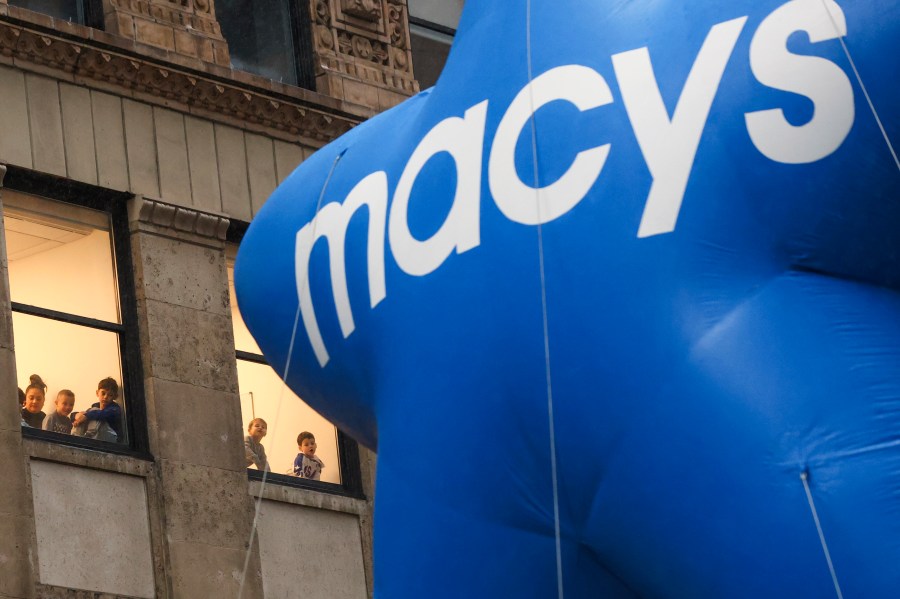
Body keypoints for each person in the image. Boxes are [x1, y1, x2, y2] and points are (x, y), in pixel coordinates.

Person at [71, 377, 123, 443]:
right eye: (103, 393)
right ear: (97, 393)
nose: (105, 397)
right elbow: (72, 416)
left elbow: (103, 414)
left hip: (112, 440)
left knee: (93, 412)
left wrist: (86, 416)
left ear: (115, 397)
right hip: (98, 437)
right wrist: (76, 415)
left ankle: (89, 437)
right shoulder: (95, 406)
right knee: (86, 413)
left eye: (110, 395)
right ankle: (74, 438)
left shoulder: (115, 409)